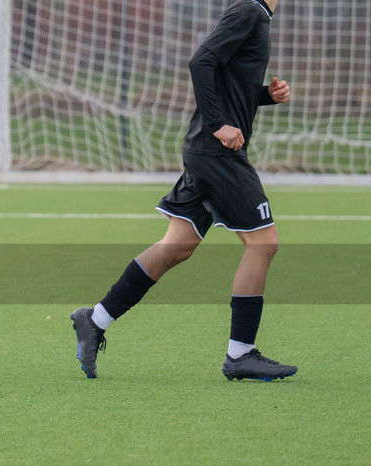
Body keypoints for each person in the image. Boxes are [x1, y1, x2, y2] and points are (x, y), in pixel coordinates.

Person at [70, 0, 295, 381]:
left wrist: (263, 96)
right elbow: (200, 63)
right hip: (217, 153)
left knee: (177, 246)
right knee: (263, 243)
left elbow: (226, 79)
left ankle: (95, 319)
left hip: (204, 151)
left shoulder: (257, 16)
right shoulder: (250, 12)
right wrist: (219, 124)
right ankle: (240, 355)